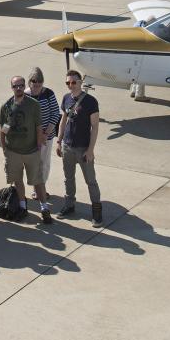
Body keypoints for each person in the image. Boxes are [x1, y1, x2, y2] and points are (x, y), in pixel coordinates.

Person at [0, 75, 50, 224]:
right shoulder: (6, 106)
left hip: (31, 151)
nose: (19, 88)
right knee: (18, 180)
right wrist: (5, 150)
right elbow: (2, 130)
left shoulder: (33, 104)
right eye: (16, 86)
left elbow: (39, 127)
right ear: (12, 88)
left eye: (21, 85)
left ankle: (44, 208)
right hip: (13, 152)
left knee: (38, 181)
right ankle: (22, 206)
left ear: (24, 86)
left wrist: (39, 147)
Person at [56, 70, 103, 226]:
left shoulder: (91, 101)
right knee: (68, 178)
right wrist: (59, 141)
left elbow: (95, 127)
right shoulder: (66, 98)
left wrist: (90, 150)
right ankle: (69, 205)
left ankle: (96, 210)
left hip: (83, 148)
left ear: (80, 82)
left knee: (90, 180)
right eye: (68, 83)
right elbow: (63, 121)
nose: (71, 85)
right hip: (67, 146)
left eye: (74, 82)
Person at [27, 67, 60, 191]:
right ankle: (36, 187)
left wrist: (46, 133)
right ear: (29, 82)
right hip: (30, 137)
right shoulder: (24, 94)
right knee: (33, 164)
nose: (37, 87)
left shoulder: (48, 93)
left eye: (39, 85)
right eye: (34, 84)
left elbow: (55, 113)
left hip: (47, 136)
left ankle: (41, 188)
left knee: (44, 163)